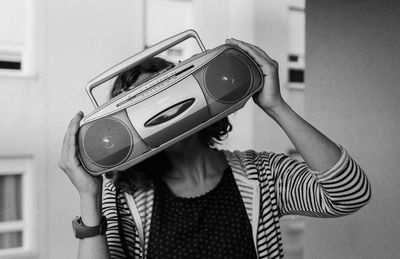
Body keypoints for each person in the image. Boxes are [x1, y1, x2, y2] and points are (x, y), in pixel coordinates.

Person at [59, 38, 371, 259]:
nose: (164, 111)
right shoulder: (124, 196)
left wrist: (276, 106)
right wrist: (89, 196)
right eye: (144, 106)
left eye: (168, 93)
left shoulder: (260, 174)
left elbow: (349, 194)